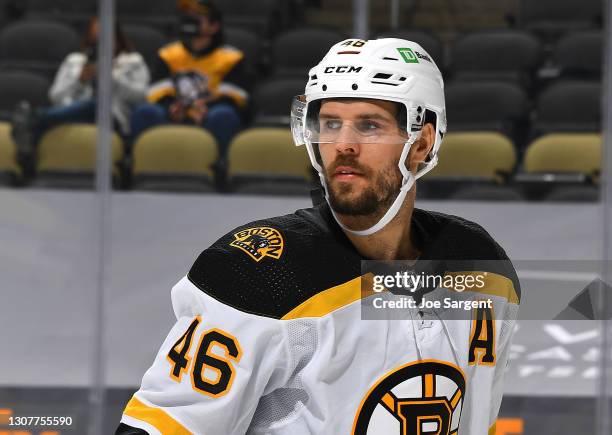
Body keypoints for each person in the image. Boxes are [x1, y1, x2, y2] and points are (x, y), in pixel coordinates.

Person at [116, 38, 520, 434]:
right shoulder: (259, 273)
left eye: (369, 125)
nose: (343, 144)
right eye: (330, 123)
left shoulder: (483, 268)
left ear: (422, 142)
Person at [130, 0, 247, 163]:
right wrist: (172, 107)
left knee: (224, 115)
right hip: (173, 111)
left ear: (214, 27)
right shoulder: (169, 54)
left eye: (198, 18)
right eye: (188, 17)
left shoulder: (231, 57)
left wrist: (204, 109)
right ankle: (144, 165)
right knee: (145, 112)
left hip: (210, 113)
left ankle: (217, 166)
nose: (190, 21)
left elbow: (234, 95)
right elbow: (158, 90)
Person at [11, 17, 150, 150]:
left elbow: (141, 96)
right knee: (87, 106)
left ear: (117, 39)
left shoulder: (133, 62)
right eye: (96, 40)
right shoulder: (74, 61)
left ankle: (35, 119)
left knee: (95, 106)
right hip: (72, 114)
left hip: (113, 119)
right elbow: (55, 96)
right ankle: (29, 142)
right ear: (89, 40)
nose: (100, 45)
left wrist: (111, 79)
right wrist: (79, 81)